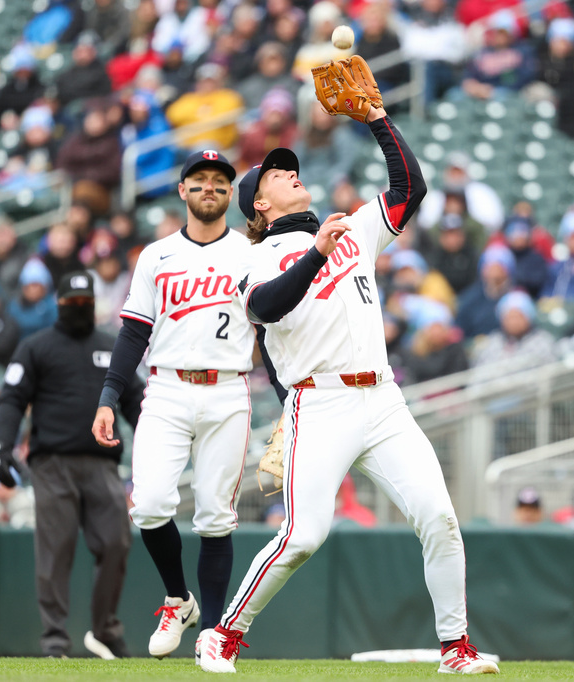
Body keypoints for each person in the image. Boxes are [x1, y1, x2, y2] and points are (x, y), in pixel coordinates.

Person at [199, 103, 497, 674]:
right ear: (260, 203)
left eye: (290, 167)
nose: (290, 171)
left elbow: (412, 186)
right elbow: (265, 305)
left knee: (438, 516)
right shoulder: (256, 255)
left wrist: (378, 118)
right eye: (275, 173)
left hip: (382, 399)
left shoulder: (352, 226)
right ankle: (222, 635)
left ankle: (456, 649)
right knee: (302, 537)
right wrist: (316, 253)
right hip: (320, 402)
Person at [92, 151, 255, 660]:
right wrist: (108, 397)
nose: (210, 188)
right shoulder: (156, 255)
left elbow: (271, 329)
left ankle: (211, 632)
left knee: (215, 516)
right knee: (150, 504)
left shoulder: (252, 253)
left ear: (231, 194)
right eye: (200, 181)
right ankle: (176, 598)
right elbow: (134, 331)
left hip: (228, 388)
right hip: (164, 388)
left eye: (220, 182)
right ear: (182, 191)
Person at [0, 271, 142, 659]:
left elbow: (138, 401)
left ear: (94, 303)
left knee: (115, 542)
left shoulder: (112, 347)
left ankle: (105, 630)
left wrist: (158, 442)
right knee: (55, 551)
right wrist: (1, 445)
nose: (79, 308)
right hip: (52, 462)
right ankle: (55, 640)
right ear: (59, 304)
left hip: (102, 463)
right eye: (72, 302)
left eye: (85, 302)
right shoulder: (36, 346)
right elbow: (11, 398)